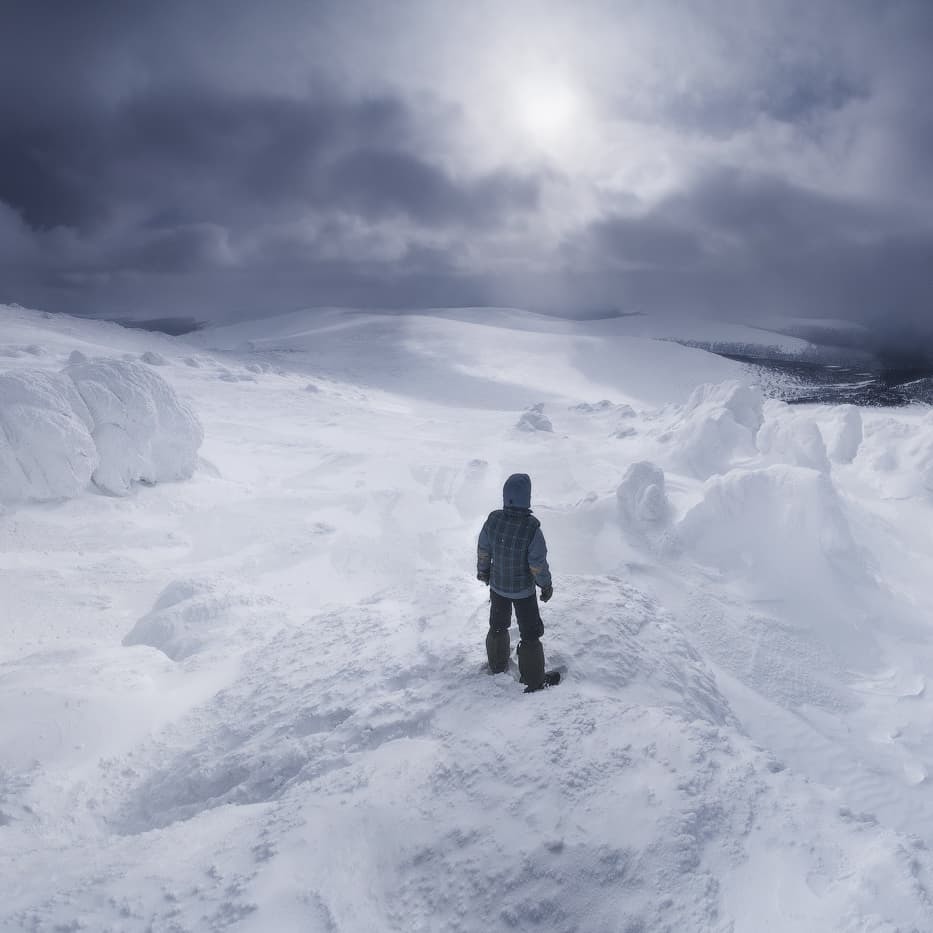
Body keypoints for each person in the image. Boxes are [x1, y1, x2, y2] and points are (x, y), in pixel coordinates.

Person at [476, 473, 553, 691]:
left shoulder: (493, 520)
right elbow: (537, 564)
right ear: (527, 498)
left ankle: (497, 666)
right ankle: (534, 679)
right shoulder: (532, 529)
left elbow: (484, 550)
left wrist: (483, 572)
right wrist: (545, 585)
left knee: (498, 626)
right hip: (523, 592)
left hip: (498, 587)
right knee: (530, 634)